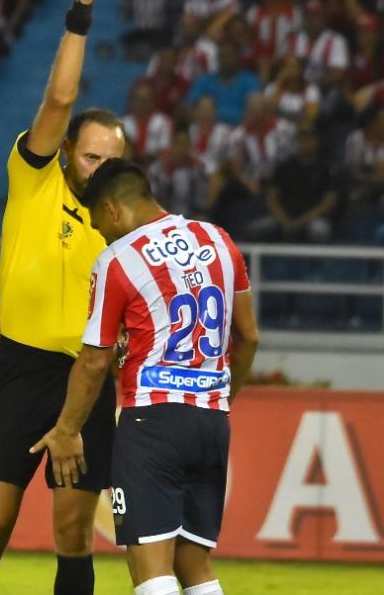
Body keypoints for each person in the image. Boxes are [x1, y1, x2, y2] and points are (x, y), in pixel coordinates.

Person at [0, 0, 125, 595]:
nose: (100, 165)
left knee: (74, 538)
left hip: (86, 378)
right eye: (91, 153)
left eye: (113, 158)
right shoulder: (36, 178)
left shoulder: (119, 221)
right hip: (20, 370)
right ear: (68, 150)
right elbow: (60, 95)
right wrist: (81, 12)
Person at [35, 158, 260, 595]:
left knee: (150, 566)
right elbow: (248, 337)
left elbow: (94, 360)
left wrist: (66, 429)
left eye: (97, 218)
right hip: (212, 422)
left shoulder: (117, 260)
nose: (98, 230)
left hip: (152, 422)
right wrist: (222, 397)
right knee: (194, 561)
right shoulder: (218, 240)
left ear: (114, 208)